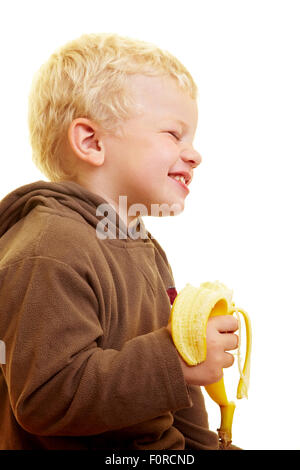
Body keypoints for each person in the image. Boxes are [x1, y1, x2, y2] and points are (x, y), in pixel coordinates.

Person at [0, 33, 240, 450]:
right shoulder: (48, 249)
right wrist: (176, 360)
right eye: (173, 134)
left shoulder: (145, 249)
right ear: (91, 142)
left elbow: (174, 399)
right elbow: (46, 398)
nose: (194, 154)